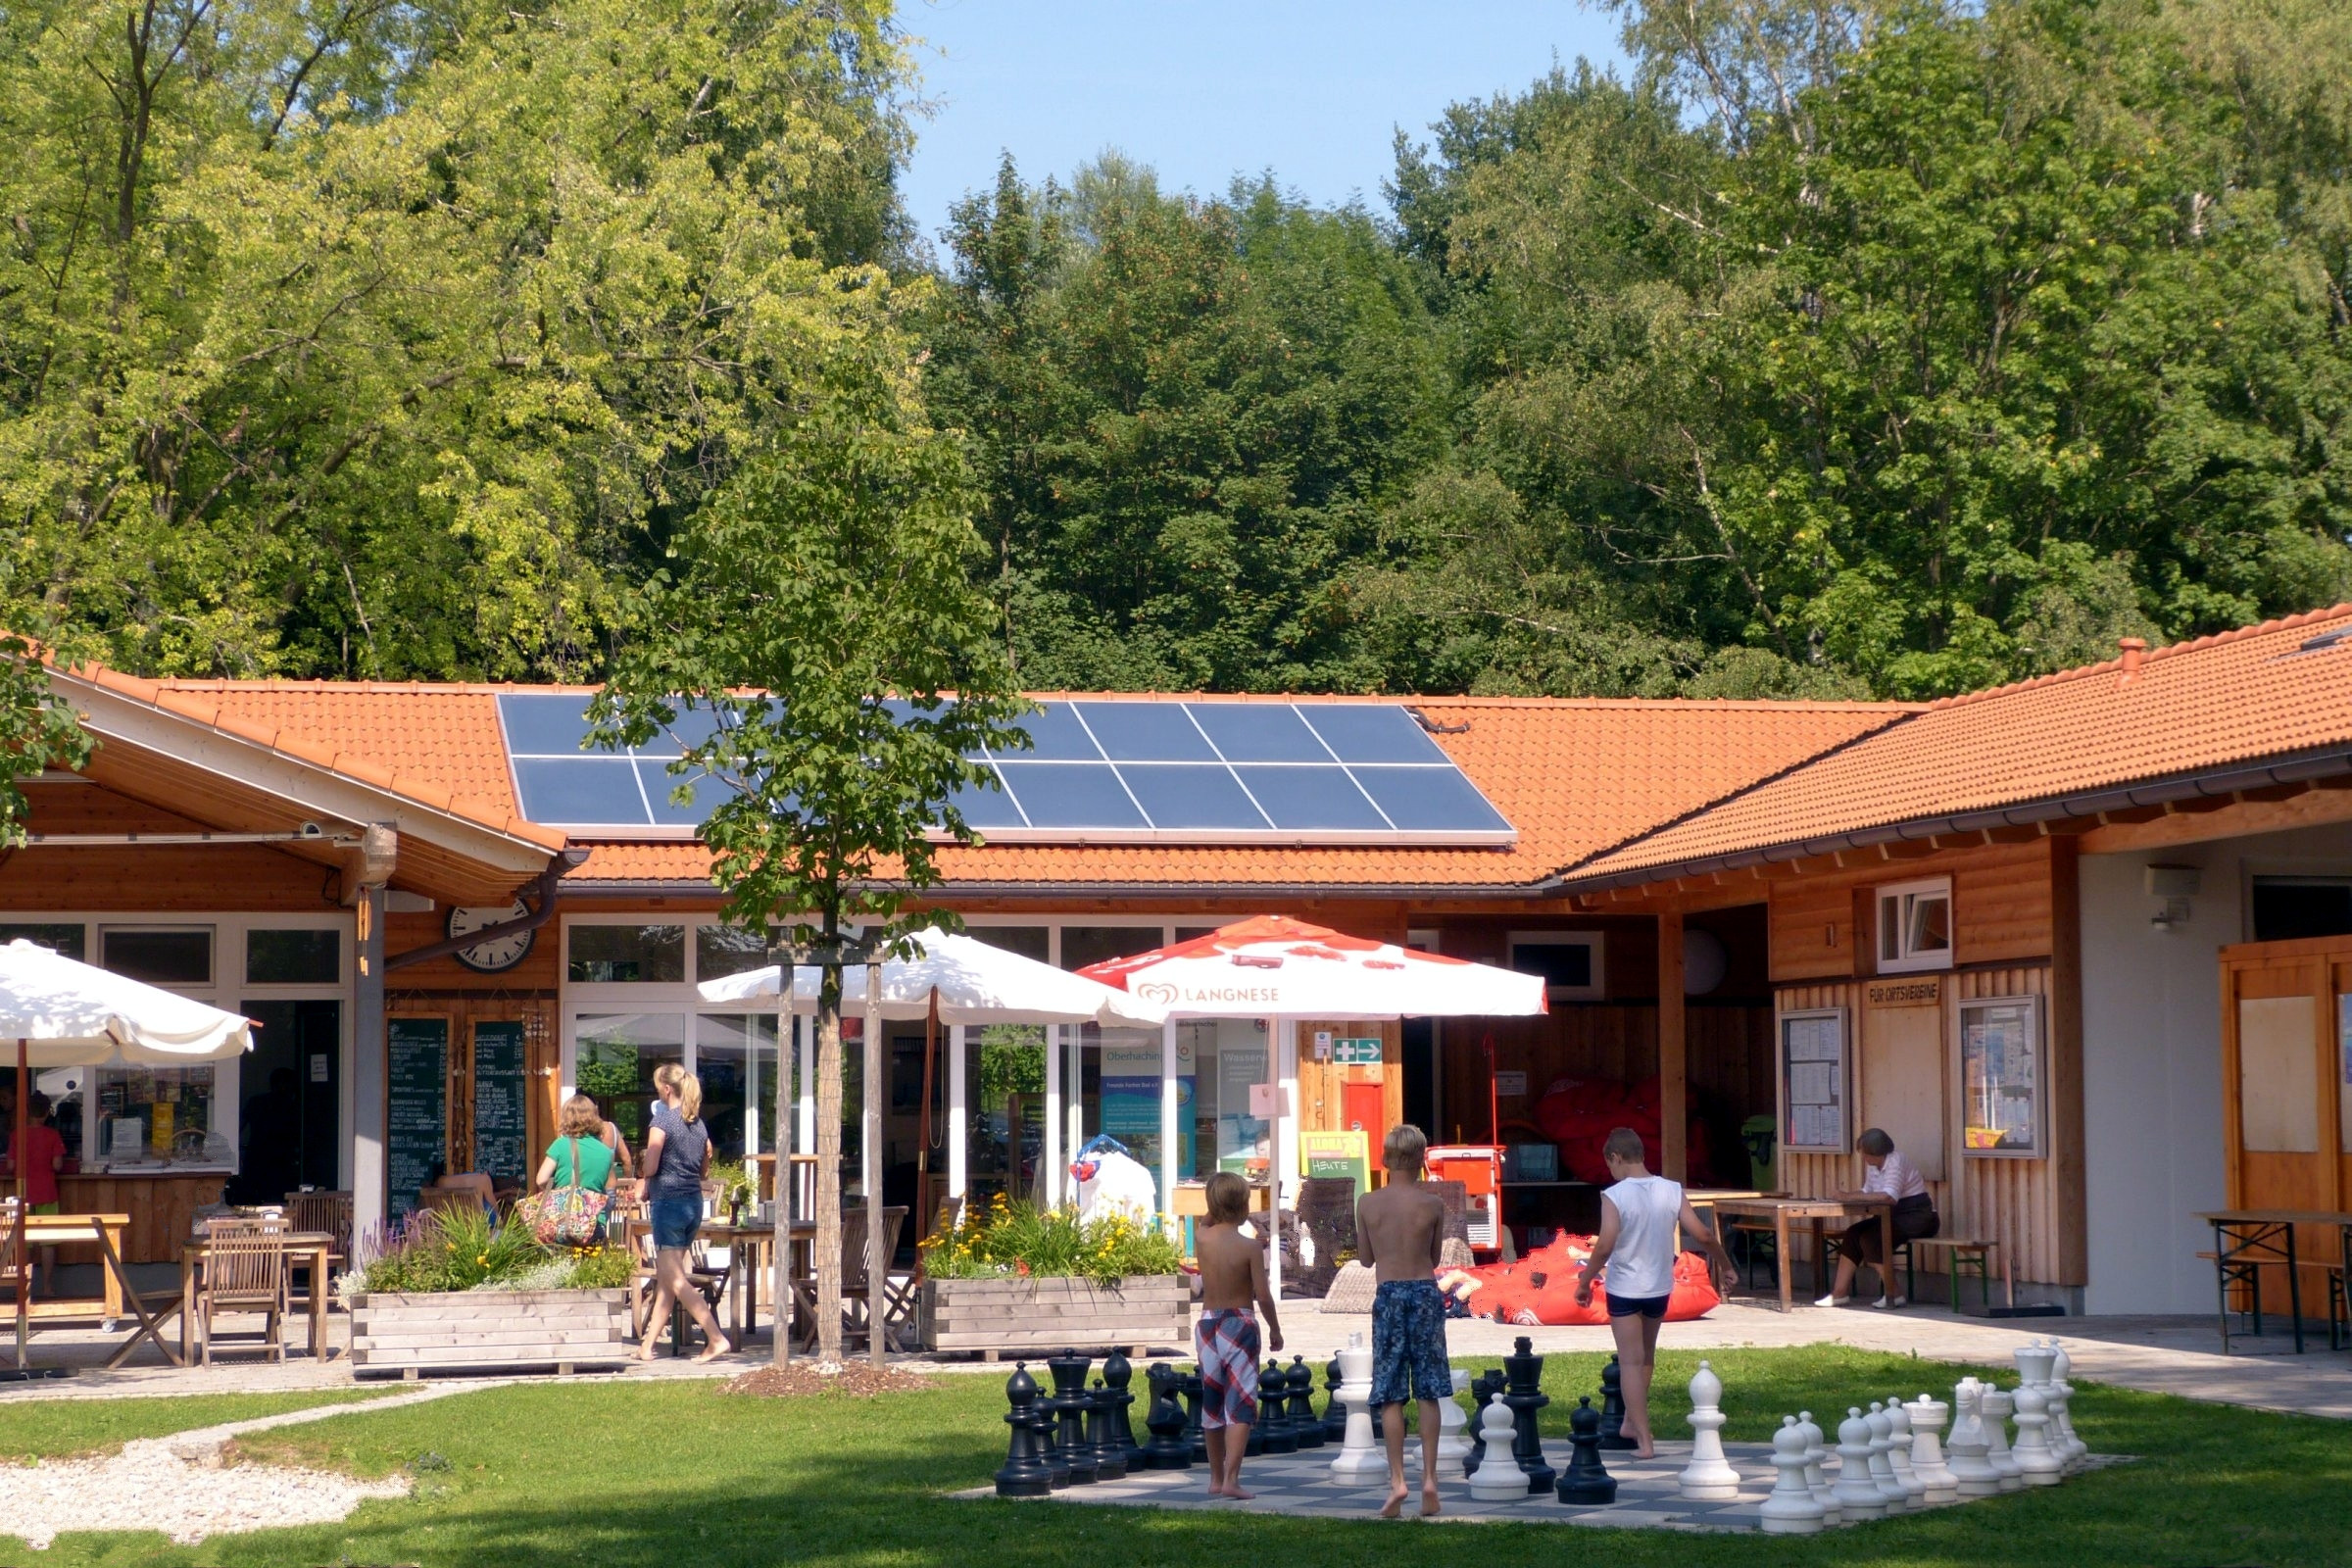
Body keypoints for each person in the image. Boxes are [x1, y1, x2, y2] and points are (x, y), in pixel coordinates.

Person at [1572, 1126, 1733, 1458]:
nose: (1611, 1172)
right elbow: (1702, 1234)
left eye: (1610, 1165)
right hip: (1660, 1287)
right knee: (1646, 1358)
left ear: (1615, 1157)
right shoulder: (1671, 1189)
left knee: (1630, 1362)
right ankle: (1631, 1421)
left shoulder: (1614, 1195)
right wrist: (1726, 1265)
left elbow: (1604, 1246)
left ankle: (1644, 1441)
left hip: (1625, 1288)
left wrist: (1585, 1281)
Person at [1354, 1123, 1451, 1519]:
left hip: (1390, 1295)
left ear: (1384, 1159)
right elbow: (1433, 1258)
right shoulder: (1433, 1205)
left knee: (1390, 1391)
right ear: (1422, 1159)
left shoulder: (1367, 1202)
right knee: (1428, 1389)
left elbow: (1365, 1259)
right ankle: (1429, 1478)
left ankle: (1398, 1481)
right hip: (1426, 1295)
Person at [1193, 1170, 1282, 1499]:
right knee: (1241, 1401)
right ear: (1243, 1205)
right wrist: (1275, 1328)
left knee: (1212, 1400)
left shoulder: (1202, 1237)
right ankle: (1232, 1478)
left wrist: (1217, 1204)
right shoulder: (1249, 1247)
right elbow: (1263, 1294)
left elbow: (1206, 1220)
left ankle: (1215, 1478)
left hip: (1207, 1325)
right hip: (1239, 1324)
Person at [638, 1063, 730, 1361]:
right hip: (692, 1205)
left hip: (669, 1205)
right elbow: (704, 1171)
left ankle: (715, 1338)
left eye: (657, 1087)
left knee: (676, 1280)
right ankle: (647, 1347)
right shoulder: (698, 1124)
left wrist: (643, 1176)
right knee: (668, 1280)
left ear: (667, 1089)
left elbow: (651, 1165)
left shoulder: (661, 1121)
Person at [1817, 1126, 1937, 1309]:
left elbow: (1889, 1196)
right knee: (1853, 1233)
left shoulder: (1896, 1161)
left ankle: (1894, 1294)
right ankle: (1839, 1294)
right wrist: (1843, 1196)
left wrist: (1847, 1196)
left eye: (1865, 1154)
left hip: (1918, 1216)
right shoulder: (1874, 1166)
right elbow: (1868, 1191)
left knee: (1871, 1239)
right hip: (1891, 1215)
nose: (1864, 1158)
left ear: (1876, 1152)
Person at [2, 1093, 70, 1297]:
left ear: (27, 1111)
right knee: (48, 1241)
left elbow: (11, 1165)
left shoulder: (16, 1135)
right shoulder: (52, 1135)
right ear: (48, 1112)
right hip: (47, 1191)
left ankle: (24, 1287)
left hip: (24, 1193)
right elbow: (57, 1165)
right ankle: (48, 1287)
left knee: (25, 1241)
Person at [535, 1094, 619, 1219]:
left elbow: (541, 1179)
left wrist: (560, 1188)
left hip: (563, 1217)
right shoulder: (606, 1152)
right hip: (593, 1220)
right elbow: (607, 1187)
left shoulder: (560, 1144)